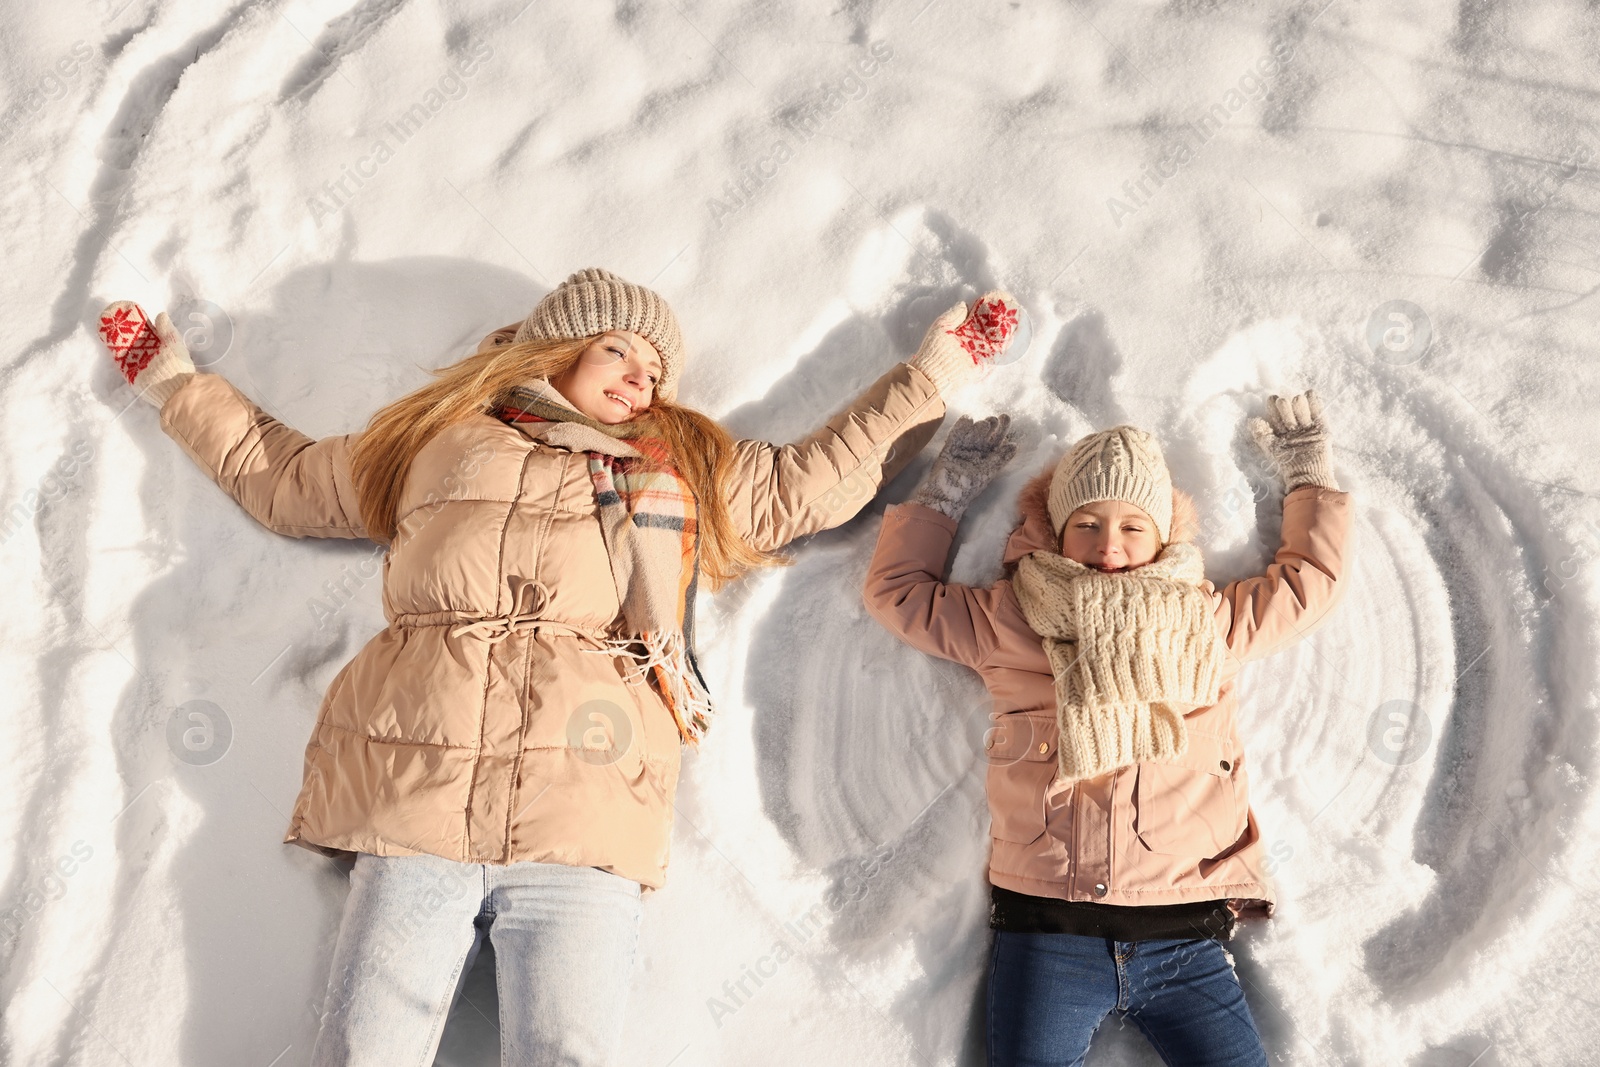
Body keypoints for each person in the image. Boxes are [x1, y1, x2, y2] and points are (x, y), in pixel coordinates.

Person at [93, 270, 1023, 1065]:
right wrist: (174, 381)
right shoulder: (435, 443)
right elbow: (285, 476)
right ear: (560, 345)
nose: (641, 377)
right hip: (419, 799)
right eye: (622, 350)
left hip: (585, 814)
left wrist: (932, 373)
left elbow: (808, 481)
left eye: (655, 369)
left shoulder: (672, 466)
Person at [862, 395, 1353, 1065]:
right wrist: (944, 496)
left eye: (1132, 525)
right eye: (1086, 523)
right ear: (1058, 531)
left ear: (1163, 537)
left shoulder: (1203, 623)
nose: (1108, 545)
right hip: (1048, 931)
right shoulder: (1013, 618)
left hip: (1187, 934)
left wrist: (1308, 475)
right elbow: (900, 593)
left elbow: (1307, 583)